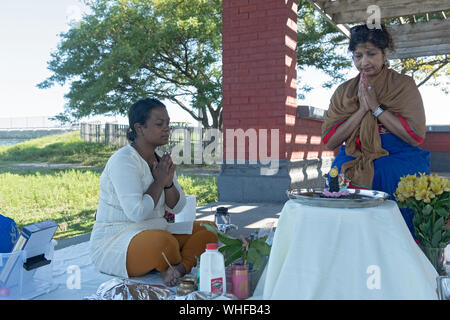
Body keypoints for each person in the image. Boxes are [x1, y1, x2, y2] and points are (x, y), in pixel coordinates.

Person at [89, 98, 218, 286]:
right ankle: (178, 258)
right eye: (159, 124)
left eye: (168, 123)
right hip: (119, 239)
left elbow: (177, 207)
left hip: (158, 230)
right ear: (139, 128)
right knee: (163, 244)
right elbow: (137, 213)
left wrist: (167, 184)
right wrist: (158, 181)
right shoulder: (124, 161)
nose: (167, 128)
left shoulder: (159, 159)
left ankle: (179, 268)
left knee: (209, 229)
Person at [322, 24, 430, 237]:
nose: (364, 62)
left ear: (384, 53)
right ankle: (350, 248)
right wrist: (362, 109)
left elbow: (415, 136)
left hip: (398, 154)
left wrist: (377, 108)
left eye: (371, 54)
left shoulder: (402, 85)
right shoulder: (344, 91)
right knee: (336, 176)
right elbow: (330, 140)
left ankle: (399, 250)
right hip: (354, 154)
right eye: (358, 55)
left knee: (391, 174)